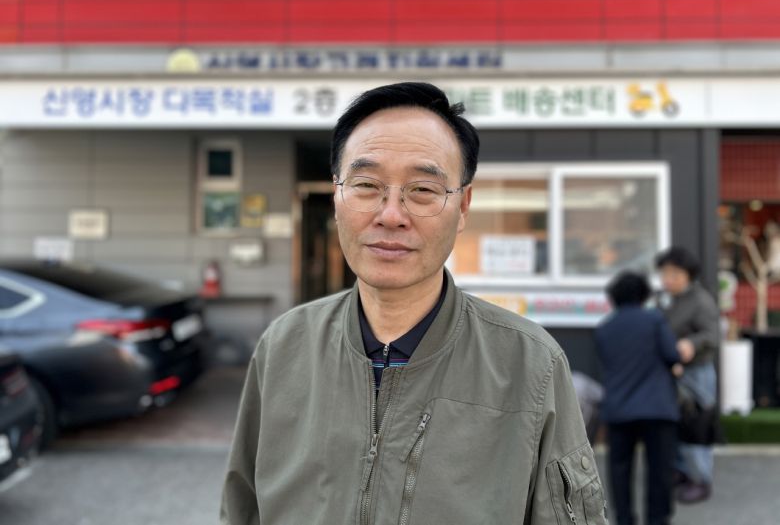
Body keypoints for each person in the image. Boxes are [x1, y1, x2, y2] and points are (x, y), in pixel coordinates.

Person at [220, 82, 608, 525]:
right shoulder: (284, 346)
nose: (391, 214)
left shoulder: (530, 365)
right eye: (366, 185)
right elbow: (242, 507)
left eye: (422, 189)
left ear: (463, 206)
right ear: (337, 196)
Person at [596, 271, 681, 525]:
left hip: (619, 408)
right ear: (644, 295)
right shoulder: (654, 320)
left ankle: (624, 519)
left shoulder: (605, 328)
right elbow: (672, 355)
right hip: (657, 407)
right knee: (659, 470)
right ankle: (657, 519)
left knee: (619, 470)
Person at [655, 246, 720, 504]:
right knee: (676, 425)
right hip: (673, 372)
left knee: (697, 427)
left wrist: (691, 344)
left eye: (674, 274)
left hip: (697, 374)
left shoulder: (701, 301)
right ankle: (682, 472)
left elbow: (713, 336)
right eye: (664, 273)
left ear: (688, 275)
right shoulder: (665, 299)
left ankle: (701, 480)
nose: (667, 279)